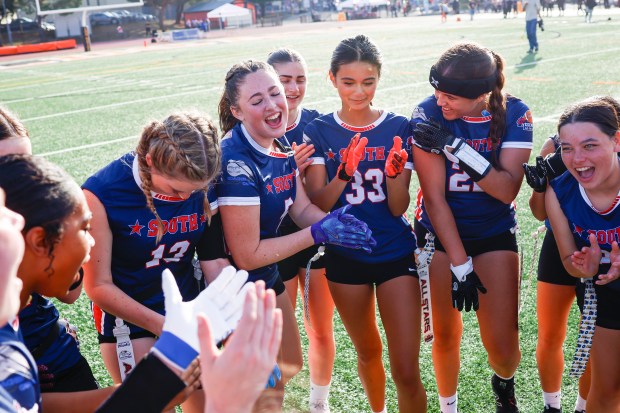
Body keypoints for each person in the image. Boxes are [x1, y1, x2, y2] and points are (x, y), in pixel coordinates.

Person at [0, 154, 278, 413]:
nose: (93, 242)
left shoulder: (11, 320)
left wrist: (165, 372)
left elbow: (43, 406)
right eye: (85, 229)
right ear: (38, 240)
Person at [216, 59, 375, 411]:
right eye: (257, 101)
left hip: (263, 279)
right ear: (236, 111)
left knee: (289, 364)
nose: (273, 105)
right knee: (262, 385)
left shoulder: (279, 144)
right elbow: (247, 254)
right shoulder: (235, 161)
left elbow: (300, 209)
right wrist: (320, 233)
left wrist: (337, 223)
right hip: (232, 286)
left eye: (275, 93)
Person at [303, 35, 425, 413]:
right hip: (345, 255)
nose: (359, 91)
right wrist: (343, 172)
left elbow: (397, 207)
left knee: (406, 369)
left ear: (379, 79)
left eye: (368, 81)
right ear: (332, 79)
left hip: (393, 250)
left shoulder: (398, 126)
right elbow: (319, 204)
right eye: (349, 82)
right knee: (368, 352)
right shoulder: (321, 130)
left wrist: (392, 175)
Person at [411, 42, 533, 413]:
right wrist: (460, 264)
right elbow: (434, 198)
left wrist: (457, 148)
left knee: (503, 345)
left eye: (449, 96)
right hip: (438, 233)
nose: (440, 101)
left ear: (482, 94)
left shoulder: (516, 113)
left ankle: (504, 382)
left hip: (493, 230)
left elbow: (506, 189)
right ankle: (449, 407)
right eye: (437, 91)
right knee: (444, 336)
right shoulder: (428, 112)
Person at [83, 111, 228, 412]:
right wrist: (166, 326)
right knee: (150, 405)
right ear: (150, 161)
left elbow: (213, 261)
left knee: (208, 405)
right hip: (129, 314)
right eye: (176, 189)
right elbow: (98, 285)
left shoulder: (201, 179)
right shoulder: (103, 192)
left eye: (196, 189)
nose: (187, 196)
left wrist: (232, 321)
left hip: (187, 305)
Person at [0, 107, 100, 394]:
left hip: (51, 351)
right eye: (5, 164)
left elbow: (69, 293)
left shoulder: (37, 206)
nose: (21, 173)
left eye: (24, 161)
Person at [267, 48, 337, 413]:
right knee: (281, 338)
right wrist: (281, 170)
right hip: (272, 244)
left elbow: (321, 198)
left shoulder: (318, 125)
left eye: (300, 79)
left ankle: (317, 404)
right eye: (283, 80)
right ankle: (277, 403)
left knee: (320, 329)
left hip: (314, 238)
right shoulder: (253, 129)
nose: (292, 88)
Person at [545, 96, 620, 413]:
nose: (577, 159)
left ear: (616, 140)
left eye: (590, 146)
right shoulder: (559, 191)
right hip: (609, 291)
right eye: (567, 148)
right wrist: (583, 268)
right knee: (608, 390)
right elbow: (568, 262)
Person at [523, 135, 591, 413]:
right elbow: (539, 213)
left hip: (603, 249)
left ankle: (584, 406)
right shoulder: (553, 148)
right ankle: (551, 406)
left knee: (596, 338)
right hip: (557, 247)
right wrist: (540, 187)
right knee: (550, 334)